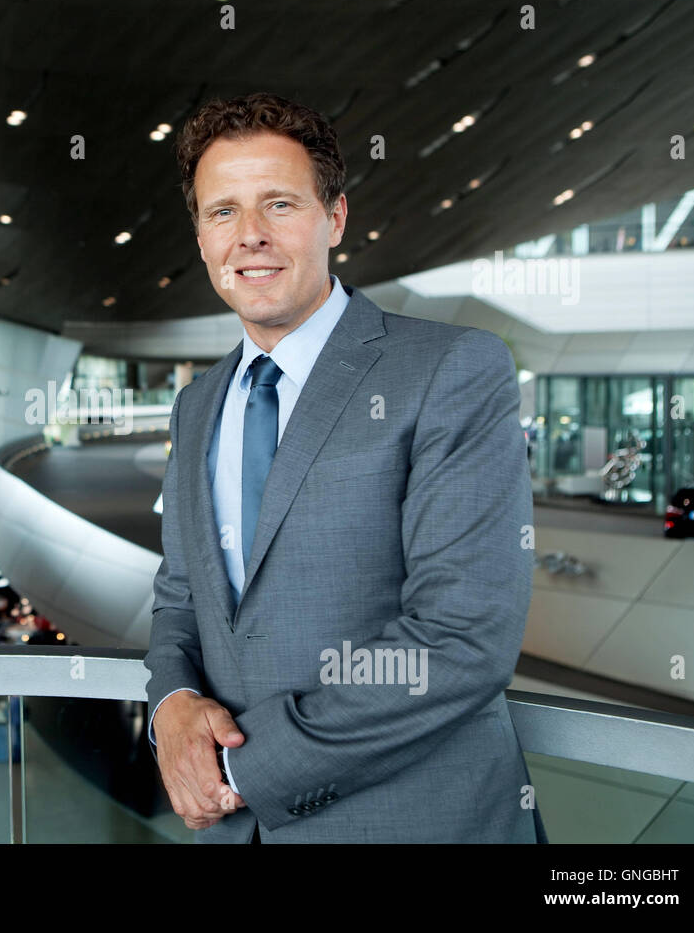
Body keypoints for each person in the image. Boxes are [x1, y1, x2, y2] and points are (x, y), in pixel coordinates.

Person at [143, 93, 544, 844]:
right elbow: (178, 600)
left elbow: (461, 640)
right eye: (222, 211)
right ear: (199, 238)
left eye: (280, 204)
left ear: (335, 218)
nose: (250, 236)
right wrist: (171, 705)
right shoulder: (196, 406)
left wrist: (239, 773)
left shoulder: (451, 368)